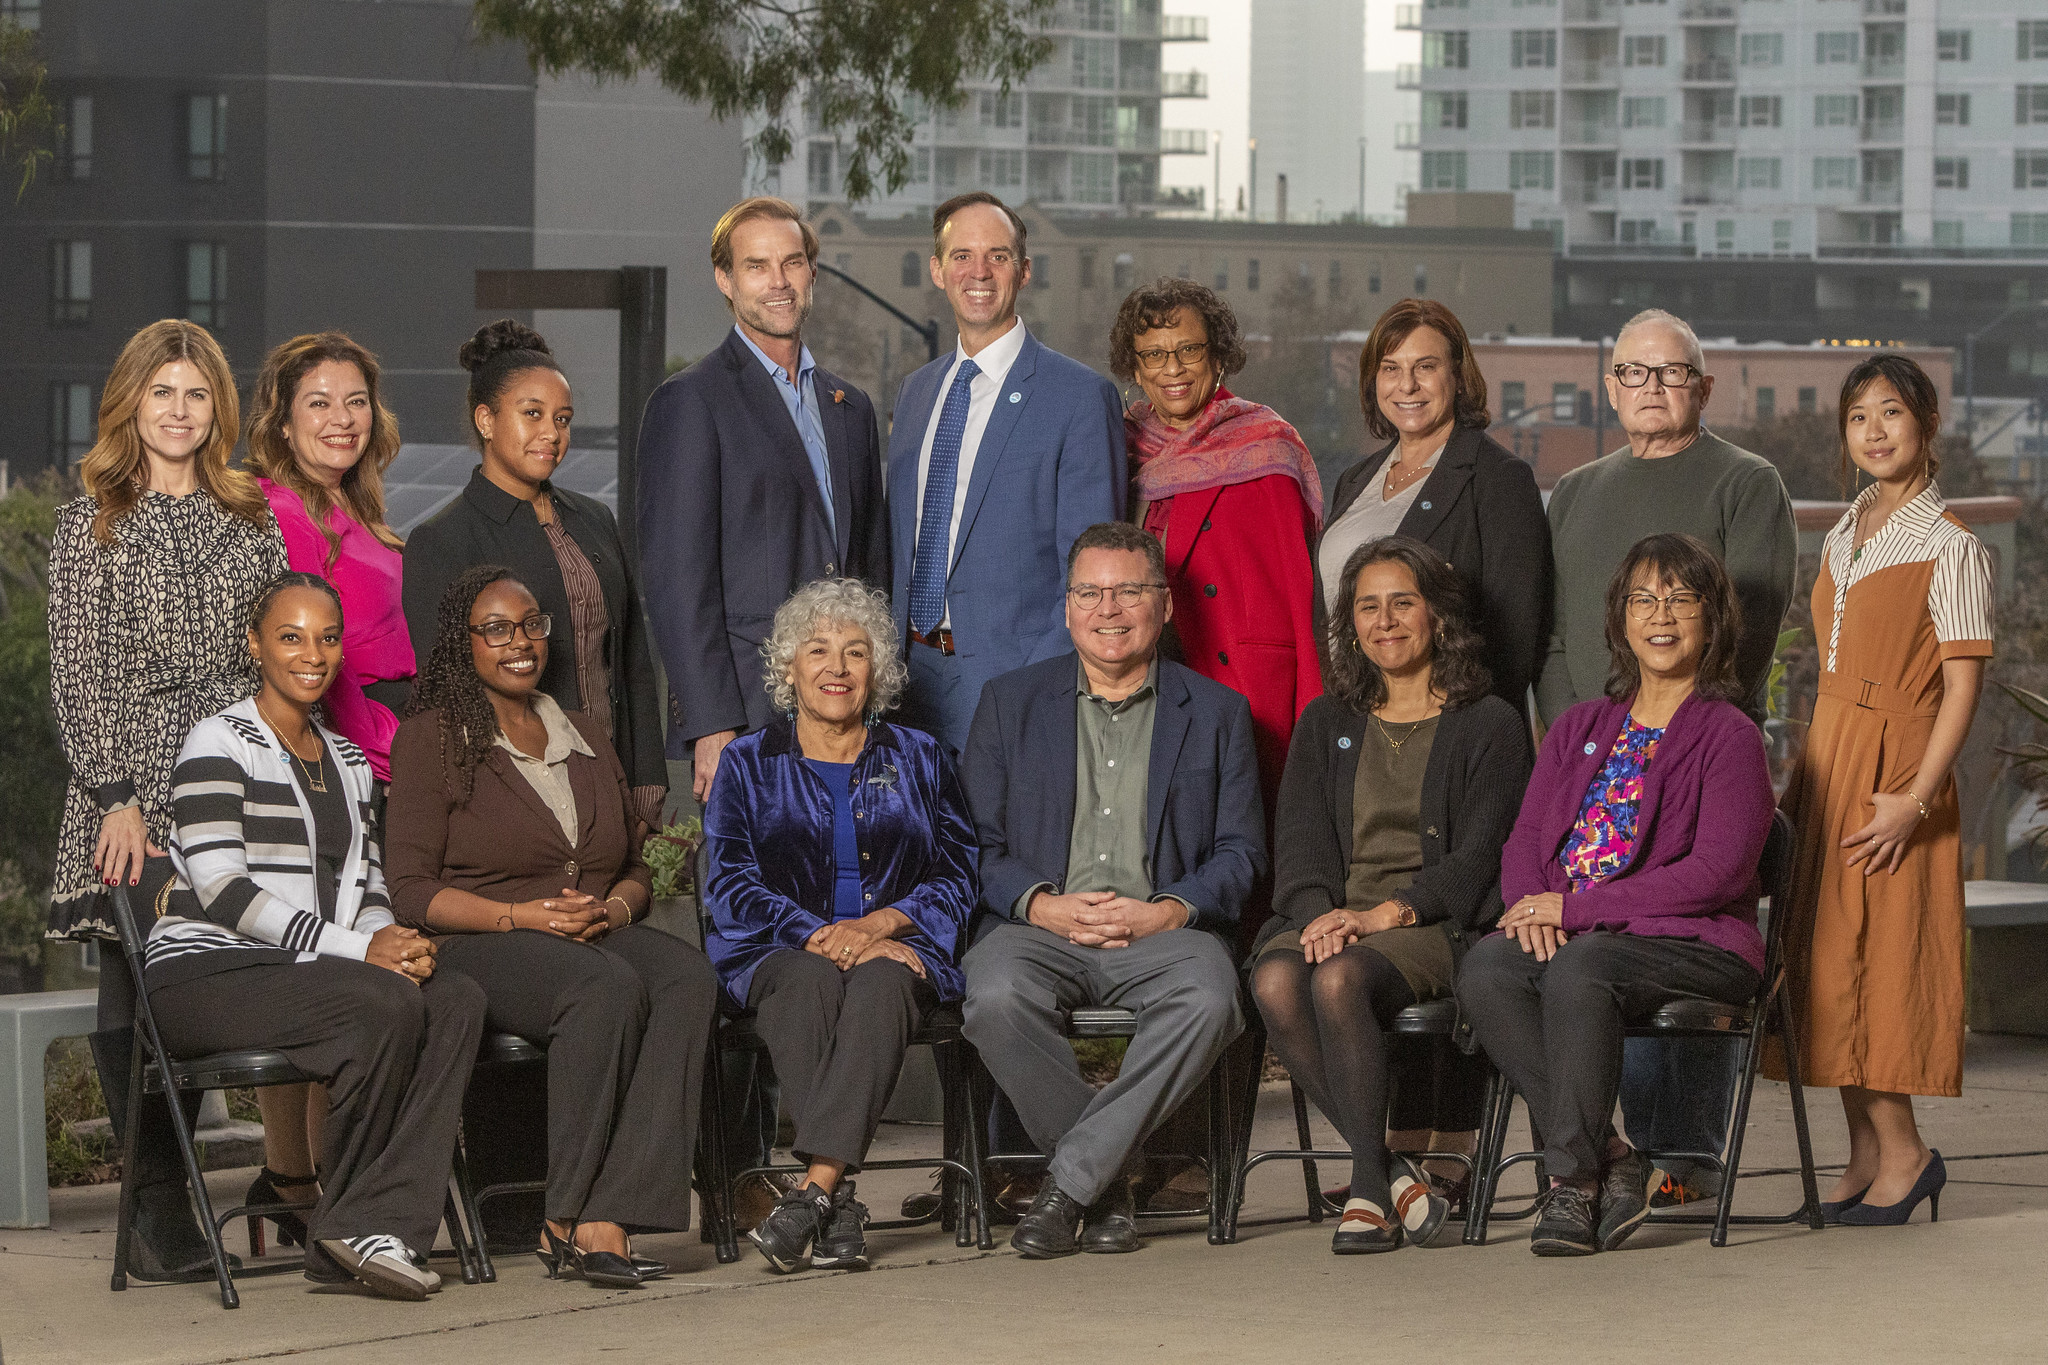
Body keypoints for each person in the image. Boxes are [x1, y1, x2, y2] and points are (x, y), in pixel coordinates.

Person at [146, 573, 484, 1300]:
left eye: (327, 637)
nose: (313, 653)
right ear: (256, 645)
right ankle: (348, 1222)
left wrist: (390, 937)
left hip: (305, 970)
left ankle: (381, 1224)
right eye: (291, 636)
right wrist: (363, 952)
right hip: (205, 974)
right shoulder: (217, 740)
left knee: (455, 996)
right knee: (380, 1003)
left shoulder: (353, 763)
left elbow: (363, 889)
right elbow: (224, 892)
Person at [385, 566, 719, 1287]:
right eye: (497, 628)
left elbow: (631, 860)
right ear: (462, 641)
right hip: (482, 940)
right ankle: (564, 1214)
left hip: (587, 927)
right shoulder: (432, 740)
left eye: (532, 624)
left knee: (688, 977)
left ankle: (616, 1208)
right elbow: (410, 890)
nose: (520, 642)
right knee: (601, 988)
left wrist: (615, 908)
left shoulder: (586, 734)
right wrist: (520, 915)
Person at [1535, 307, 1796, 1205]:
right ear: (1610, 386)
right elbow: (1559, 639)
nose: (1652, 389)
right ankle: (1603, 1150)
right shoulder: (1574, 492)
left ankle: (1680, 1152)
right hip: (1593, 762)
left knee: (1673, 915)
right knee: (1588, 940)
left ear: (1703, 386)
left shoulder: (1746, 480)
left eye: (1671, 374)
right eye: (1634, 374)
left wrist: (1662, 743)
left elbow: (1745, 627)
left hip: (1696, 749)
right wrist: (1587, 751)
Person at [46, 319, 287, 1281]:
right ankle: (158, 1205)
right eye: (161, 394)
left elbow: (273, 655)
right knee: (134, 977)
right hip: (128, 782)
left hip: (227, 770)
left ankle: (166, 1202)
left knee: (201, 979)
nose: (179, 412)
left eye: (195, 395)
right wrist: (114, 794)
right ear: (131, 405)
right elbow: (75, 672)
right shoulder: (89, 519)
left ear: (215, 408)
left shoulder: (251, 516)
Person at [1458, 534, 1773, 1257]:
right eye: (1643, 598)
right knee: (1487, 968)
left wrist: (1572, 911)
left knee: (1583, 965)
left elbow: (1718, 873)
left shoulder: (1730, 736)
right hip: (1581, 936)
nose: (1660, 613)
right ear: (1621, 619)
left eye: (1681, 598)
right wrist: (1530, 910)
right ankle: (1616, 1158)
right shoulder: (1581, 726)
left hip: (1697, 942)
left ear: (1711, 619)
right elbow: (1527, 839)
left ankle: (1571, 1181)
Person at [960, 521, 1264, 1259]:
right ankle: (1111, 1177)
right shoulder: (1009, 703)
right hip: (1041, 929)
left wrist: (1167, 909)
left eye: (1130, 590)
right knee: (994, 997)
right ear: (1067, 608)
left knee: (1211, 998)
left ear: (1163, 605)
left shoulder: (1217, 713)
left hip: (1162, 932)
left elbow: (1242, 852)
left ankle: (1067, 1184)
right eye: (1091, 592)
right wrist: (1040, 903)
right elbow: (972, 843)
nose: (1110, 608)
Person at [1252, 536, 1531, 1252]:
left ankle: (1371, 1187)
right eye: (1367, 607)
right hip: (1337, 911)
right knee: (1279, 976)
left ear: (1438, 614)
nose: (1385, 621)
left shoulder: (1490, 723)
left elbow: (1481, 860)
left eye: (1402, 602)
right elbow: (1302, 847)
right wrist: (1320, 917)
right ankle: (1393, 1169)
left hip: (1433, 920)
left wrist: (1382, 914)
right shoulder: (1327, 720)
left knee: (1340, 979)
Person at [1766, 356, 1993, 1226]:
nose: (1873, 429)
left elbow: (1961, 687)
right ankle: (1865, 1150)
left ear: (1925, 424)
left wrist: (1918, 797)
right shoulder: (1843, 533)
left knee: (1882, 963)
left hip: (1897, 768)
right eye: (1857, 415)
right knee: (1823, 961)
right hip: (1832, 758)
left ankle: (1908, 1152)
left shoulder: (1952, 545)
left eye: (1890, 412)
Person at [700, 579, 978, 1274]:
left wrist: (884, 924)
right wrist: (815, 932)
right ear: (789, 666)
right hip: (776, 950)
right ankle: (836, 1199)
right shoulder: (746, 761)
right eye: (817, 649)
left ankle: (820, 1192)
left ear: (876, 670)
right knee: (812, 980)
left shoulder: (919, 756)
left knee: (883, 982)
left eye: (856, 652)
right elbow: (729, 878)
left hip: (899, 945)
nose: (837, 667)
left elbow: (958, 871)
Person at [246, 330, 416, 1244]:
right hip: (323, 768)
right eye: (319, 402)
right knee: (318, 972)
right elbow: (299, 656)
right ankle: (303, 1184)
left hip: (386, 762)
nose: (341, 419)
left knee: (348, 968)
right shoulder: (273, 511)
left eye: (355, 401)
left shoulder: (359, 507)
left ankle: (301, 1185)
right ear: (281, 415)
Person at [639, 196, 890, 807]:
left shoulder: (850, 408)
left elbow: (871, 569)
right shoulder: (693, 402)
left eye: (792, 263)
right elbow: (677, 579)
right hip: (747, 710)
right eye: (757, 266)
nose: (778, 282)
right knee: (757, 893)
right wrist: (710, 721)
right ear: (725, 279)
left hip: (847, 707)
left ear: (811, 273)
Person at [403, 320, 666, 830]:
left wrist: (646, 782)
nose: (553, 434)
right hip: (518, 796)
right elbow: (448, 695)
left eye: (563, 419)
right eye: (533, 415)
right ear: (486, 419)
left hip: (615, 779)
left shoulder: (594, 519)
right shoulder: (443, 540)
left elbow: (632, 659)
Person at [889, 192, 1124, 755]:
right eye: (962, 255)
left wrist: (1034, 684)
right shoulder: (918, 392)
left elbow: (1090, 569)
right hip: (906, 678)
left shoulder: (1079, 397)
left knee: (1000, 844)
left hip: (1014, 685)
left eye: (997, 256)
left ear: (1023, 270)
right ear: (937, 270)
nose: (978, 272)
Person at [1113, 276, 1324, 810]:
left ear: (1218, 356)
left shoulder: (1265, 445)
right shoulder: (1118, 448)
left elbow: (1302, 597)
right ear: (1135, 369)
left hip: (1244, 684)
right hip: (1141, 686)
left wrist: (1315, 710)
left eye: (1189, 349)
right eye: (1154, 355)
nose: (1173, 369)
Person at [1318, 299, 1551, 713]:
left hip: (1449, 728)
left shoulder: (1498, 479)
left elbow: (1514, 644)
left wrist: (1465, 739)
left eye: (1425, 367)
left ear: (1458, 377)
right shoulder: (1354, 481)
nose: (1406, 385)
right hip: (1354, 719)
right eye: (1390, 368)